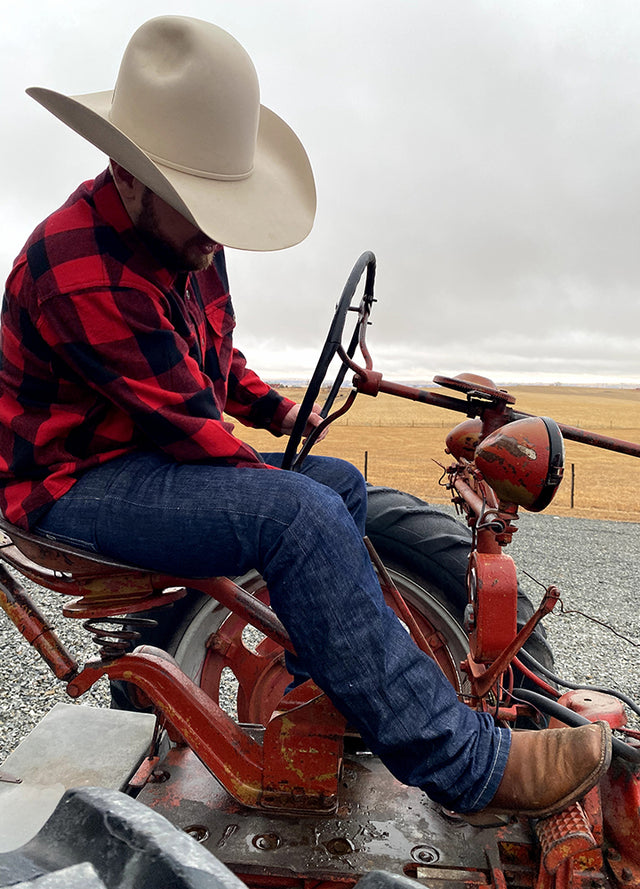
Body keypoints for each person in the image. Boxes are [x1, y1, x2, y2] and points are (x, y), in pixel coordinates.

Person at [0, 15, 611, 819]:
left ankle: (344, 678)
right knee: (298, 514)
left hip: (139, 451)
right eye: (196, 204)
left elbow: (213, 367)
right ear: (127, 173)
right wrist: (292, 499)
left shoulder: (188, 246)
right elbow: (192, 429)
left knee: (336, 484)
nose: (215, 231)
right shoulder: (80, 268)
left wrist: (290, 413)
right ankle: (465, 764)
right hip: (70, 484)